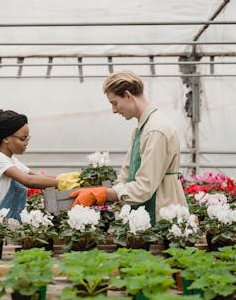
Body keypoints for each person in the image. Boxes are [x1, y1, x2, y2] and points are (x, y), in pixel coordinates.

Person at [70, 70, 187, 224]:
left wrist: (104, 194)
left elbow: (144, 187)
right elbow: (126, 175)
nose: (114, 110)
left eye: (114, 103)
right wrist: (100, 190)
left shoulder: (156, 130)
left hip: (160, 216)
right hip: (143, 213)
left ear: (128, 95)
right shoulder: (141, 129)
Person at [0, 109, 59, 222]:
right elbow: (29, 180)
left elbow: (36, 176)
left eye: (27, 138)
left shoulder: (12, 161)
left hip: (9, 225)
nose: (26, 142)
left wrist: (75, 178)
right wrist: (64, 183)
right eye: (22, 138)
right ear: (6, 138)